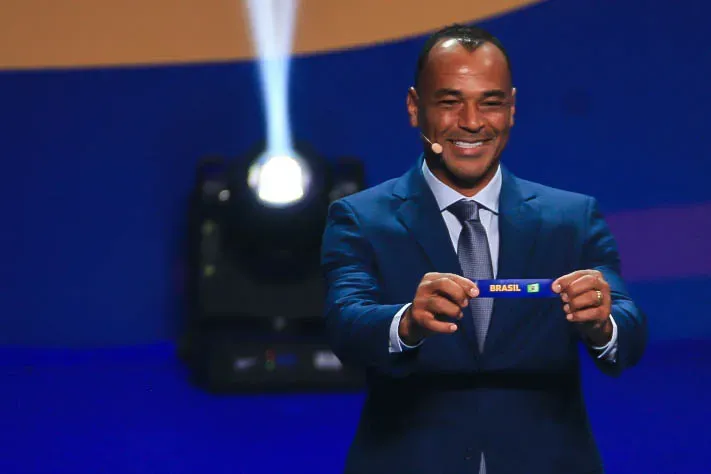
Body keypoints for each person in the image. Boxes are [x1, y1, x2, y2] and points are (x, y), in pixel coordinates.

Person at [320, 24, 647, 474]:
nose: (472, 122)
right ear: (415, 107)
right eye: (450, 102)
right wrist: (407, 322)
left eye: (490, 102)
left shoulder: (572, 217)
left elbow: (628, 334)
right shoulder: (360, 218)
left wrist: (601, 324)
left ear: (511, 109)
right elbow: (345, 325)